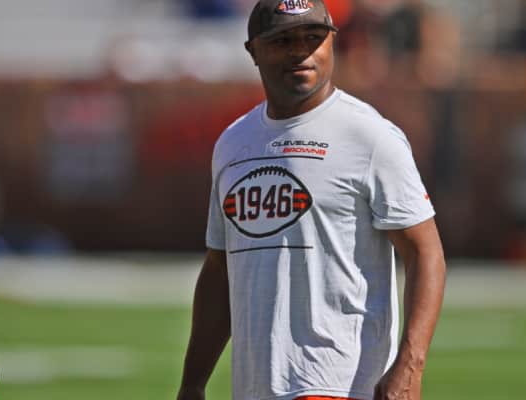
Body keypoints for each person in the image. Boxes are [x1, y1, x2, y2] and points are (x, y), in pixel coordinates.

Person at [177, 1, 446, 399]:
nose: (301, 51)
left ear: (331, 44)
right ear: (253, 50)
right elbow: (220, 270)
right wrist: (192, 383)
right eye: (283, 40)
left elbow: (425, 253)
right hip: (255, 387)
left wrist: (410, 364)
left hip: (340, 384)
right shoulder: (233, 143)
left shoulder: (370, 137)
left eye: (313, 38)